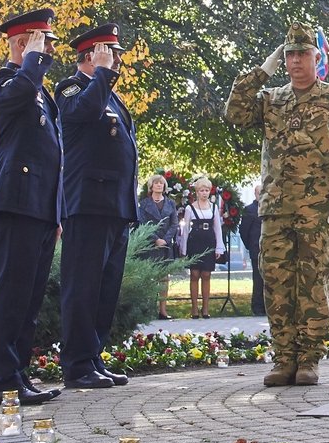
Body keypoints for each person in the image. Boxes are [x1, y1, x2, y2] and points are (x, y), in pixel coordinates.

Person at [225, 23, 329, 387]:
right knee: (276, 284)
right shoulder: (272, 99)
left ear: (316, 59)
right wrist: (262, 71)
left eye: (302, 54)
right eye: (289, 55)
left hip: (317, 213)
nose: (295, 61)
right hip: (275, 210)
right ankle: (284, 357)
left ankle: (309, 358)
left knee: (313, 284)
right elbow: (236, 112)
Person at [0, 8, 62, 406]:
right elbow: (12, 96)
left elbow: (54, 156)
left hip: (39, 209)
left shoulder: (40, 90)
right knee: (9, 296)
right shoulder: (7, 80)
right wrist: (29, 61)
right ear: (21, 43)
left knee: (27, 301)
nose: (49, 50)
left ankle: (17, 375)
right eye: (42, 42)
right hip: (14, 205)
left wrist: (56, 212)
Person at [54, 23, 140, 390]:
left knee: (105, 289)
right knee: (83, 288)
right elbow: (80, 114)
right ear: (91, 55)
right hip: (87, 205)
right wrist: (101, 74)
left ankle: (93, 358)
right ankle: (76, 364)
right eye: (111, 54)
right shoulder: (71, 88)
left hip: (113, 205)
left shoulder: (109, 94)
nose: (118, 61)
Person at [180, 177, 225, 319]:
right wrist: (183, 248)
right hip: (195, 242)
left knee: (206, 274)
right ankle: (194, 309)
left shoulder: (214, 207)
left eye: (206, 190)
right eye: (201, 190)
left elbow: (218, 228)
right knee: (194, 274)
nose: (204, 193)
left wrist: (219, 248)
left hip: (209, 241)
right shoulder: (189, 208)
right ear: (197, 192)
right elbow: (185, 229)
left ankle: (205, 308)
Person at [137, 173, 179, 320]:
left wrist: (165, 240)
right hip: (150, 245)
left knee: (164, 278)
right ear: (151, 186)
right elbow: (142, 223)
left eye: (161, 183)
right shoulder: (144, 204)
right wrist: (155, 239)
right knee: (149, 277)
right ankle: (149, 309)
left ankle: (163, 310)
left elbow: (174, 224)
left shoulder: (171, 204)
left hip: (165, 247)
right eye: (156, 183)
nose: (159, 185)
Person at [240, 185, 265, 316]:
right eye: (259, 193)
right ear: (255, 194)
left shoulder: (269, 208)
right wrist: (250, 245)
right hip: (256, 248)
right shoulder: (249, 210)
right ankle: (257, 307)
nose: (261, 195)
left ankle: (268, 306)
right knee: (258, 279)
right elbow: (244, 231)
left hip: (270, 250)